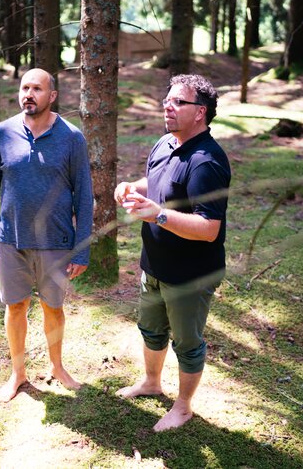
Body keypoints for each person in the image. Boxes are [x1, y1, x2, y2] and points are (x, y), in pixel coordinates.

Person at [114, 74, 230, 431]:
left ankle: (183, 406)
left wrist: (158, 214)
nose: (168, 105)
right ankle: (151, 383)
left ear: (201, 112)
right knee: (150, 330)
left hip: (190, 276)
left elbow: (209, 229)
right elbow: (159, 181)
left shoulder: (207, 161)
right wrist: (132, 187)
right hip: (154, 265)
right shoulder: (166, 143)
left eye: (178, 101)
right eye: (168, 99)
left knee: (188, 344)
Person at [0, 68, 94, 402]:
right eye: (25, 88)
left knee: (53, 308)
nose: (29, 94)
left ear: (52, 95)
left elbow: (84, 196)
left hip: (55, 241)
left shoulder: (71, 138)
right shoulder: (2, 133)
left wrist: (82, 248)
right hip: (11, 240)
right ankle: (18, 373)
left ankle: (57, 366)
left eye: (37, 89)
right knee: (15, 307)